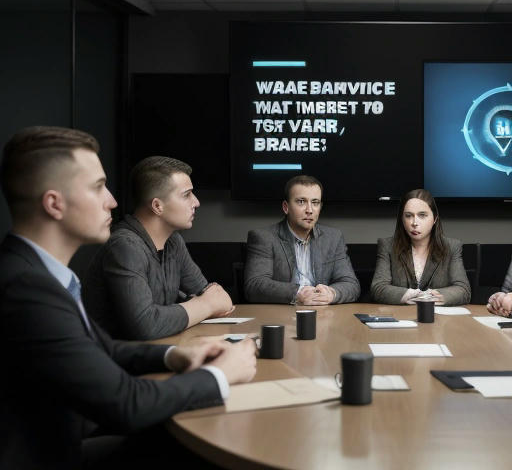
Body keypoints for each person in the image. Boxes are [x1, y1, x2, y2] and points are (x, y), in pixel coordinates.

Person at [0, 126, 257, 470]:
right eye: (97, 187)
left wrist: (175, 356)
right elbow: (126, 404)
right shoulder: (26, 289)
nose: (113, 200)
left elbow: (103, 348)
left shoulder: (36, 274)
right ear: (54, 204)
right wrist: (220, 376)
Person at [83, 156, 234, 340]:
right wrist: (206, 305)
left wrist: (203, 303)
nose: (196, 202)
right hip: (116, 362)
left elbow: (216, 297)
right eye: (186, 195)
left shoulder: (173, 241)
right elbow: (145, 326)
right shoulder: (124, 246)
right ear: (157, 206)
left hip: (161, 350)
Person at [244, 175, 360, 305]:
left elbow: (351, 284)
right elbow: (254, 286)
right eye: (301, 202)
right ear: (286, 207)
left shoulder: (333, 237)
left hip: (324, 314)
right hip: (283, 315)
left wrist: (331, 293)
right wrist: (298, 293)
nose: (309, 210)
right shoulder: (264, 237)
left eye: (315, 203)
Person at [370, 188, 470, 305]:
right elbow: (378, 288)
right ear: (402, 219)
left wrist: (430, 297)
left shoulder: (452, 247)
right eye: (408, 216)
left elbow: (463, 290)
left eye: (422, 215)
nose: (414, 222)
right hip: (400, 318)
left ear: (435, 219)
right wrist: (410, 295)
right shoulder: (387, 246)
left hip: (439, 320)